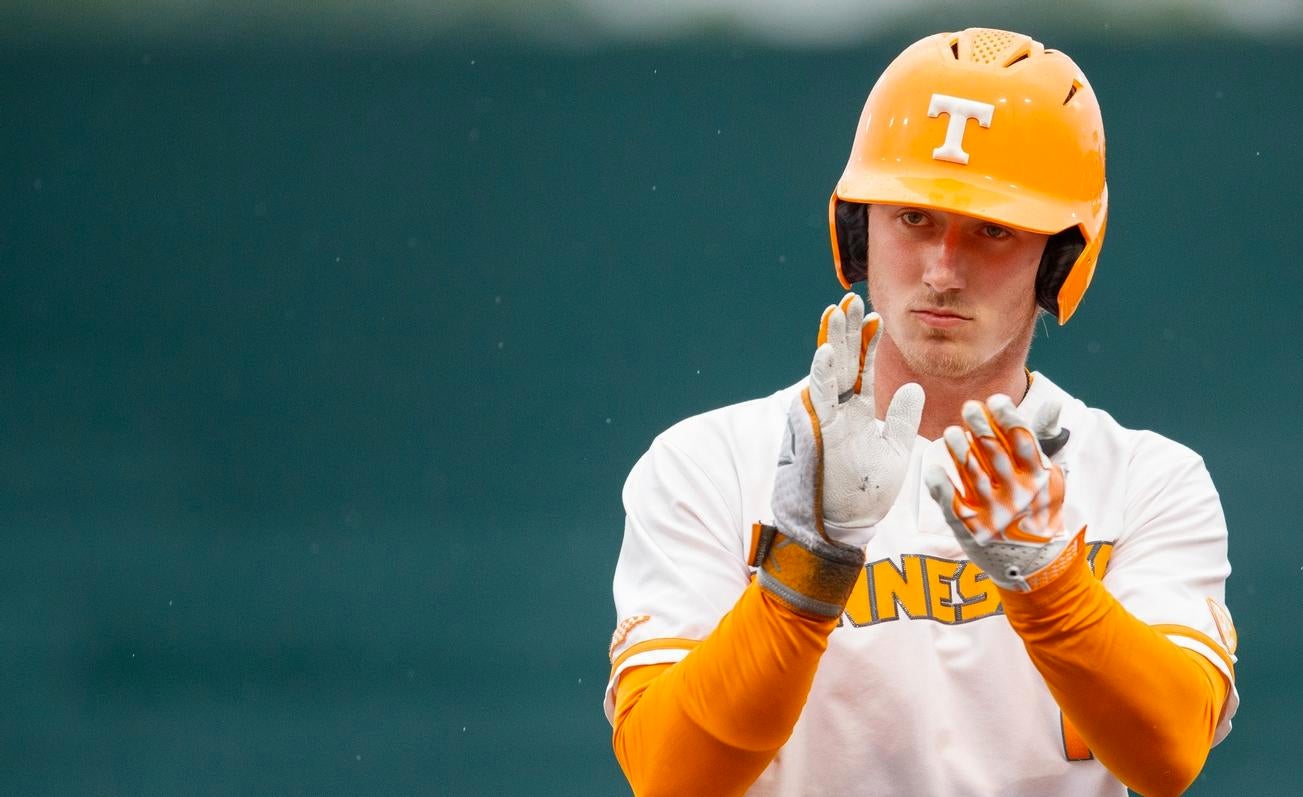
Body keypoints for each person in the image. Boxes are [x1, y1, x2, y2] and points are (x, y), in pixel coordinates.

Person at [603, 27, 1239, 797]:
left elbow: (1168, 757)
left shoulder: (1148, 480)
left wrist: (1047, 580)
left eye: (992, 229)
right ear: (856, 227)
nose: (942, 268)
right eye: (913, 217)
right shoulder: (708, 460)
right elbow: (670, 778)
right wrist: (807, 562)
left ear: (1061, 257)